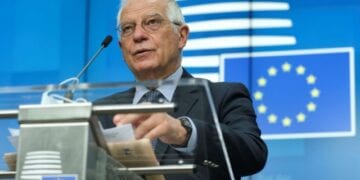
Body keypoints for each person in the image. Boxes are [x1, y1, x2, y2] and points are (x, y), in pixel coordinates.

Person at [97, 0, 268, 179]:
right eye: (127, 28)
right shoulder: (100, 111)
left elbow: (253, 155)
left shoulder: (223, 97)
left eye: (152, 22)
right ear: (121, 47)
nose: (138, 35)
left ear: (182, 36)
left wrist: (183, 132)